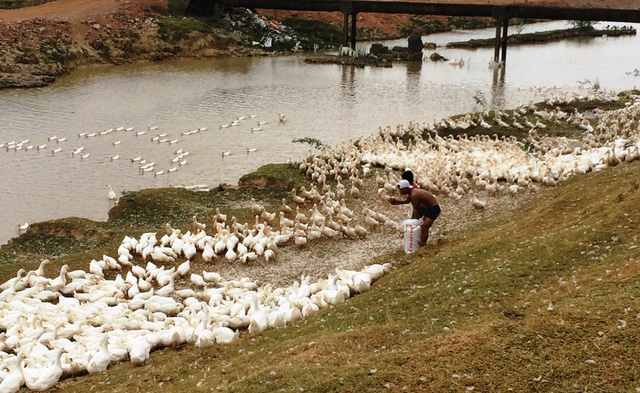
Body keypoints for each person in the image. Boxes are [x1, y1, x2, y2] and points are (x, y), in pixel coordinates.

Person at [389, 179, 440, 247]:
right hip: (429, 208)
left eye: (401, 190)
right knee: (422, 226)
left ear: (406, 188)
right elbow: (407, 201)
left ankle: (422, 245)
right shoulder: (412, 192)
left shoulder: (414, 195)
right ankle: (421, 243)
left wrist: (415, 221)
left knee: (425, 227)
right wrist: (396, 202)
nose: (400, 192)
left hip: (434, 209)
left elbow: (416, 209)